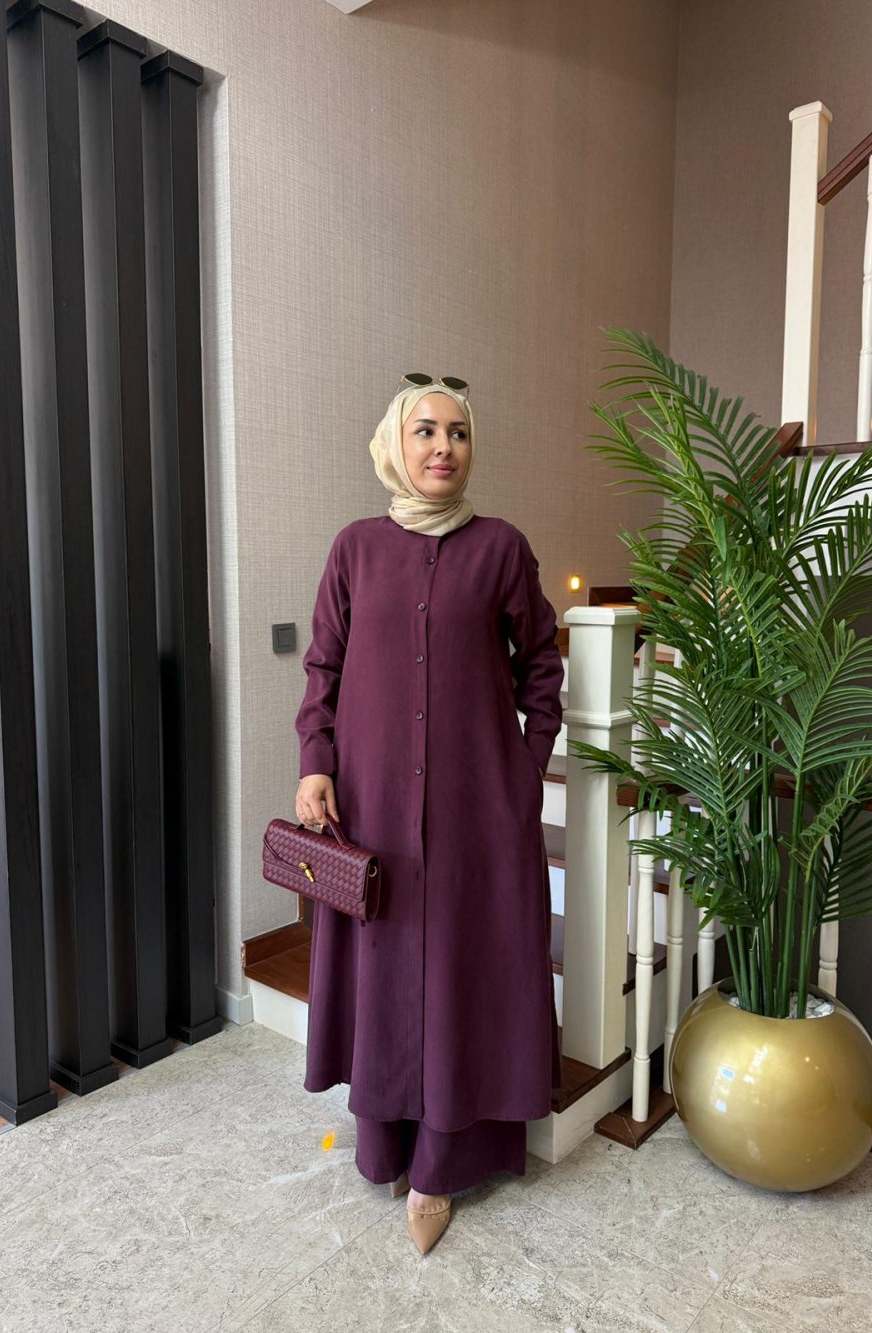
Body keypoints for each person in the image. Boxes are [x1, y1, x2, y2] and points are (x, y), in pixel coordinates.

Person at [293, 374, 565, 1254]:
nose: (443, 445)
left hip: (475, 808)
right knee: (383, 965)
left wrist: (524, 769)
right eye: (425, 430)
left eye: (458, 431)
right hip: (372, 802)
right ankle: (384, 1145)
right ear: (394, 444)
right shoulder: (355, 549)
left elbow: (541, 667)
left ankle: (443, 1164)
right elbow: (323, 670)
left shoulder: (501, 549)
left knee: (461, 970)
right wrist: (315, 763)